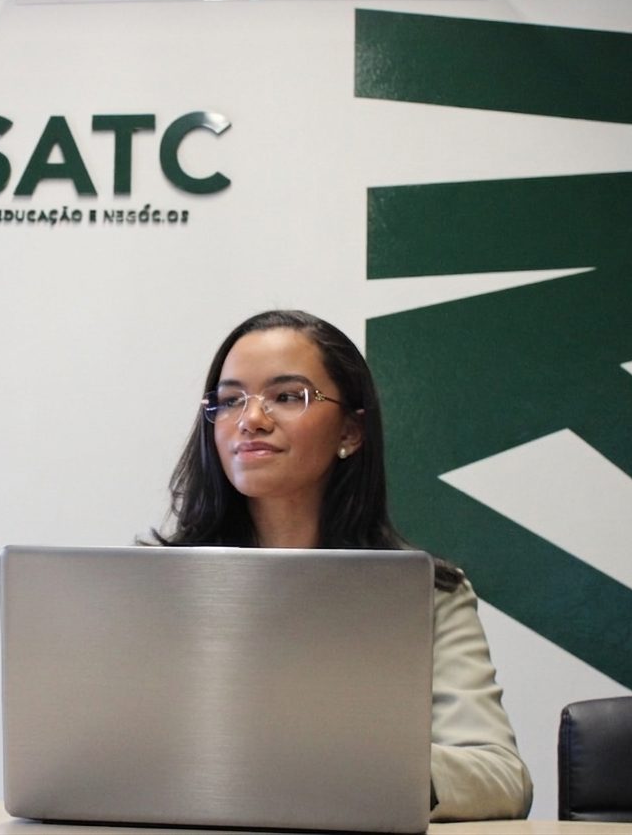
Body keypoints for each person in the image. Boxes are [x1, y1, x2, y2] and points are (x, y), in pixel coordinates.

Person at [153, 309, 533, 821]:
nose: (251, 419)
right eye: (230, 400)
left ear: (351, 431)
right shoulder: (151, 589)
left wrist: (354, 770)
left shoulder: (427, 595)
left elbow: (502, 779)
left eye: (288, 396)